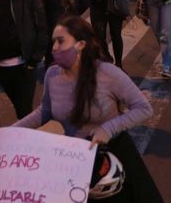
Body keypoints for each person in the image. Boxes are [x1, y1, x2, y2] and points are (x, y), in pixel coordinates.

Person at [14, 16, 161, 202]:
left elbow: (143, 108)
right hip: (77, 161)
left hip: (114, 158)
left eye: (61, 41)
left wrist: (108, 128)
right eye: (53, 42)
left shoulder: (108, 73)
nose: (54, 48)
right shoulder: (52, 74)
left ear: (81, 44)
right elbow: (44, 111)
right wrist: (10, 132)